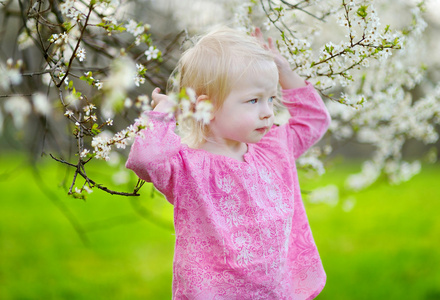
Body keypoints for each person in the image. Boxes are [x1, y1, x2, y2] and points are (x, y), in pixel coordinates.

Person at [126, 26, 331, 299]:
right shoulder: (186, 167)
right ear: (206, 107)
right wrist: (163, 113)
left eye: (271, 99)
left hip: (277, 292)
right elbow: (145, 159)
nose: (268, 112)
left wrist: (283, 71)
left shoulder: (273, 148)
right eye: (254, 100)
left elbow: (315, 120)